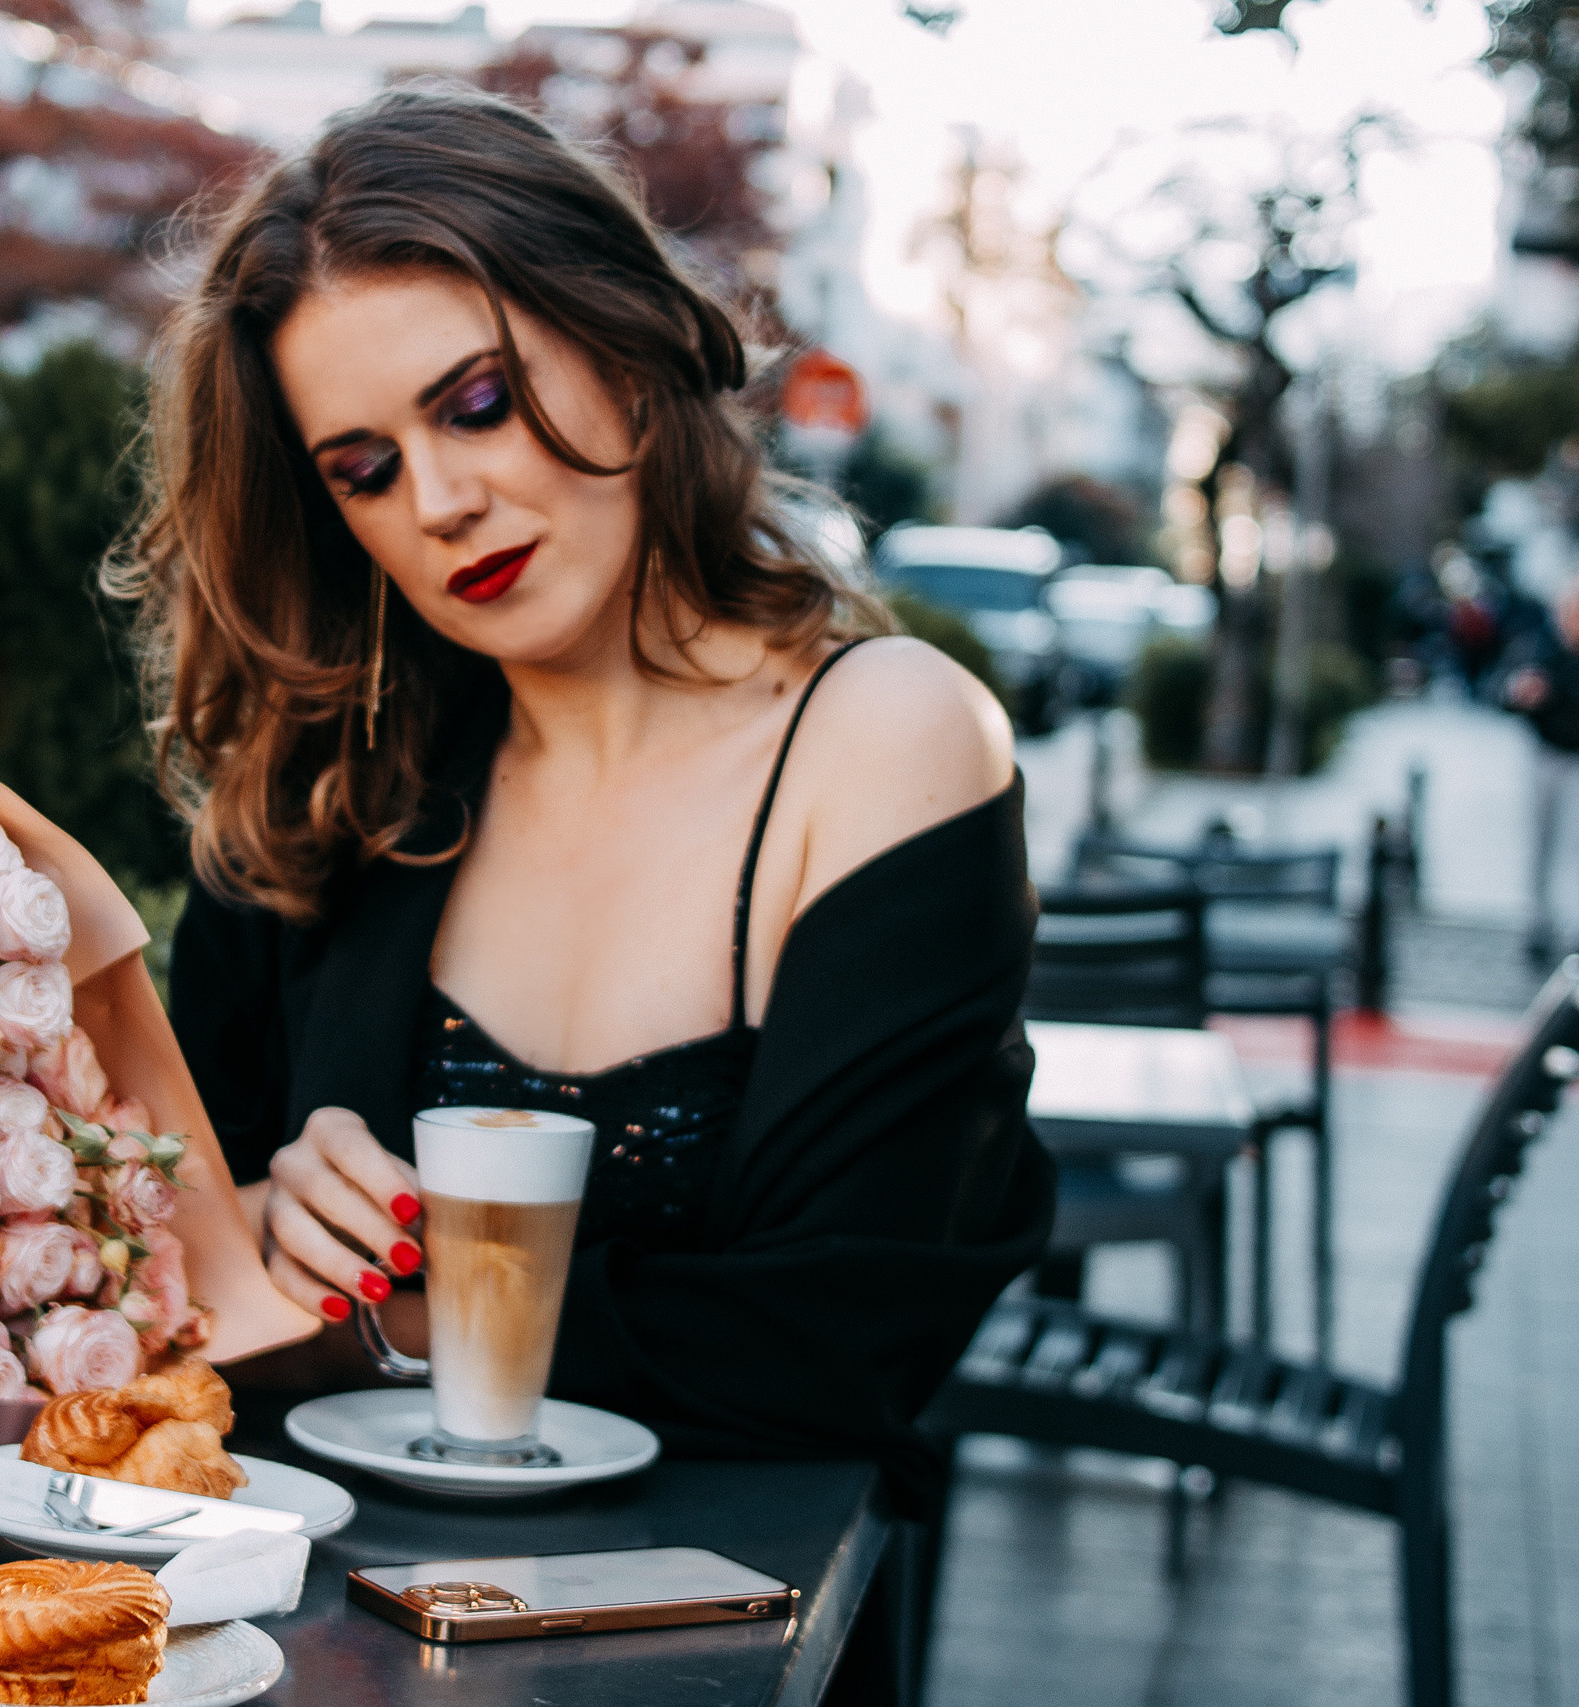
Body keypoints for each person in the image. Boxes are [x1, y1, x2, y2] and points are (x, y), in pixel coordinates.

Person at [108, 90, 1055, 1689]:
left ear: (620, 339)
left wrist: (368, 1314)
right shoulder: (325, 790)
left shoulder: (879, 740)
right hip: (307, 1645)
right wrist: (252, 1226)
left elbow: (833, 1347)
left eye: (475, 403)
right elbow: (136, 1263)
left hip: (716, 1653)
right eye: (363, 467)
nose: (440, 500)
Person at [1505, 578, 1579, 964]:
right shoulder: (1541, 647)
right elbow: (1510, 691)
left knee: (1572, 843)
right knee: (1543, 840)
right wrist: (1523, 694)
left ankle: (1571, 925)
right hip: (1547, 751)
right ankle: (1538, 922)